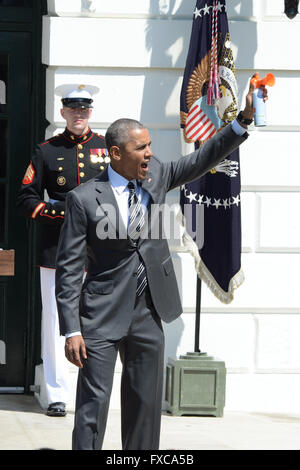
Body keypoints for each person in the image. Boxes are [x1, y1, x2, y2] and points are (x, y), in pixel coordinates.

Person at [55, 80, 265, 449]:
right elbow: (69, 268)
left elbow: (201, 159)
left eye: (150, 145)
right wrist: (71, 329)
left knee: (145, 407)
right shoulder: (83, 199)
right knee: (93, 407)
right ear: (116, 154)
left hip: (148, 311)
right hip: (100, 315)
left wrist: (243, 119)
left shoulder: (157, 177)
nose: (150, 153)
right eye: (142, 148)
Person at [17, 84, 109, 417]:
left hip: (100, 251)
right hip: (56, 250)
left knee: (96, 323)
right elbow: (26, 198)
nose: (79, 115)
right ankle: (56, 393)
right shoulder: (46, 151)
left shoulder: (106, 149)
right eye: (73, 110)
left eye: (84, 110)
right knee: (57, 320)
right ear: (63, 113)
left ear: (90, 113)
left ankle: (94, 390)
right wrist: (61, 213)